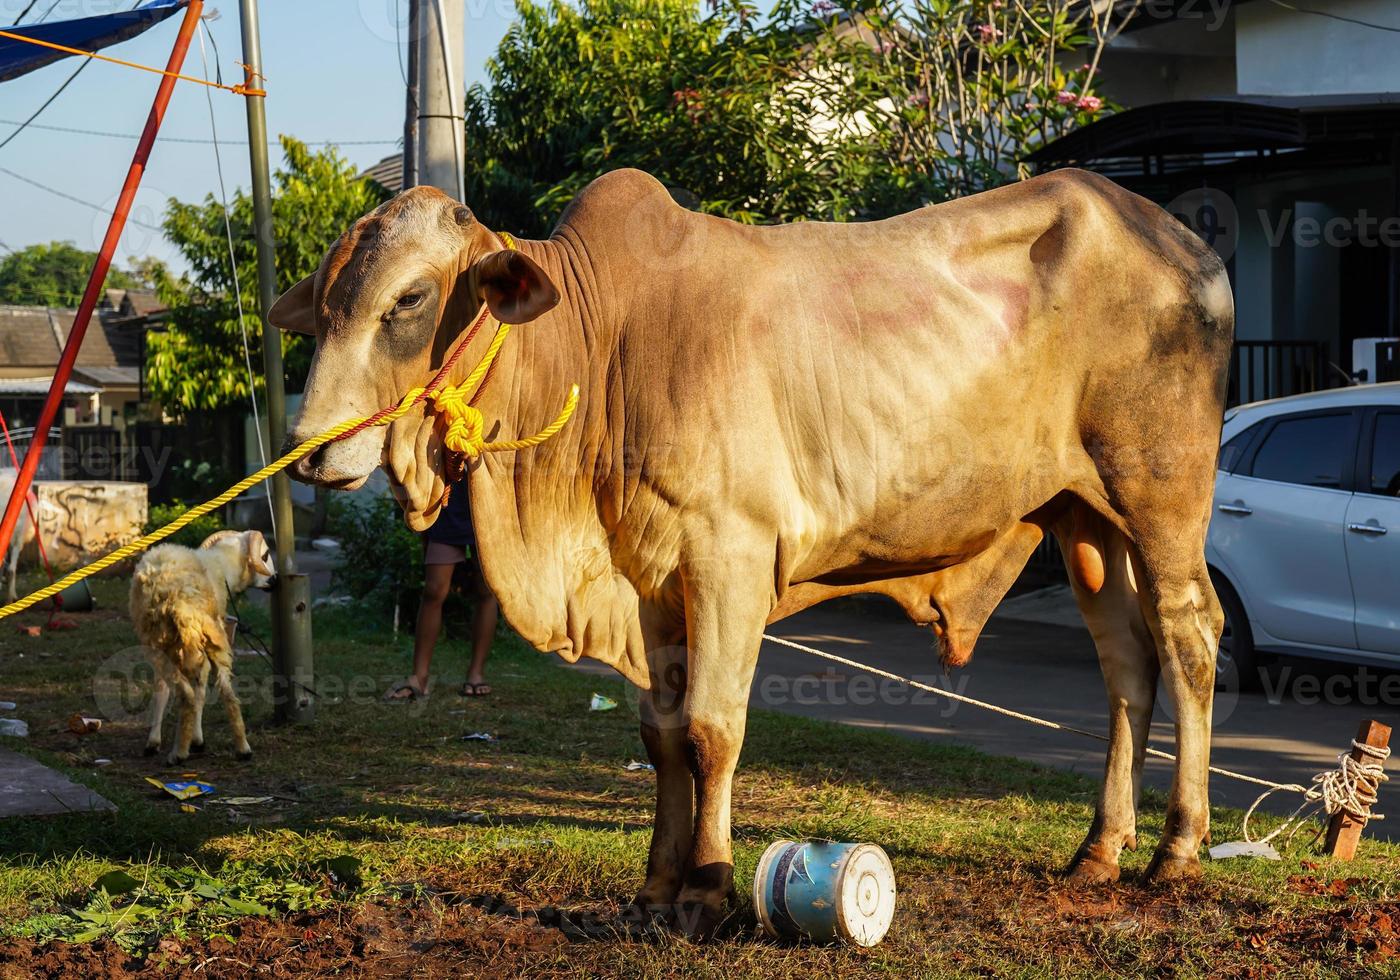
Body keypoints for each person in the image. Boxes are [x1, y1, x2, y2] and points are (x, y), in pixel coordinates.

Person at [383, 477, 498, 700]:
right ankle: (419, 677)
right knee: (434, 591)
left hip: (489, 505)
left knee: (487, 592)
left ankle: (476, 673)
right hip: (446, 505)